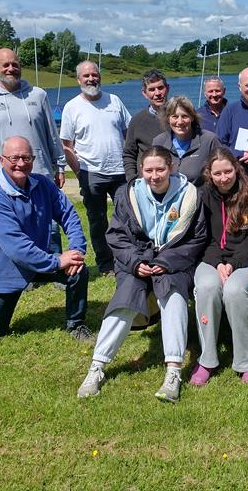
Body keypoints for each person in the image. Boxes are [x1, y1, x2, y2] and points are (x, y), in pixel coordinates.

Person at [77, 146, 207, 402]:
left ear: (171, 168)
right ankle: (97, 366)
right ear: (141, 171)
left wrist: (167, 262)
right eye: (149, 170)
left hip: (173, 262)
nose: (154, 175)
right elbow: (117, 235)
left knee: (174, 297)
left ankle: (173, 370)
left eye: (160, 169)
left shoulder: (191, 195)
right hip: (137, 261)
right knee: (125, 300)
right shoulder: (128, 195)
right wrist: (136, 262)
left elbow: (196, 239)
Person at [0, 136, 90, 341]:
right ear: (1, 160)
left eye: (26, 158)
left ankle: (76, 325)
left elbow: (68, 214)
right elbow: (17, 247)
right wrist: (57, 261)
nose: (21, 163)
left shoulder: (43, 184)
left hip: (39, 261)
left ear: (33, 159)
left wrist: (77, 250)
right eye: (14, 158)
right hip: (5, 272)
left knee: (78, 269)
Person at [190, 147, 248, 386]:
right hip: (211, 259)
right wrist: (218, 263)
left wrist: (232, 264)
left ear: (236, 169)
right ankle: (207, 359)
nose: (223, 178)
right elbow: (201, 237)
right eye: (217, 173)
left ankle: (247, 361)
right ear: (209, 174)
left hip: (246, 260)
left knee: (235, 291)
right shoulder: (203, 196)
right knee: (206, 287)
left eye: (228, 171)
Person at [60, 61, 131, 277]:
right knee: (98, 220)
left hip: (120, 171)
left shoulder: (114, 101)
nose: (91, 79)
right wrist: (79, 173)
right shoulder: (72, 107)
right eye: (86, 76)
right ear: (78, 80)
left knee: (127, 217)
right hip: (91, 173)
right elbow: (66, 145)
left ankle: (128, 259)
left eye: (95, 74)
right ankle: (106, 264)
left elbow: (128, 132)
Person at [0, 48, 65, 195]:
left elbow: (52, 135)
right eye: (6, 65)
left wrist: (60, 167)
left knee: (49, 218)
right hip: (6, 183)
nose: (11, 69)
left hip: (42, 177)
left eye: (15, 65)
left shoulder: (38, 95)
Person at [152, 96, 221, 187]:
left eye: (184, 116)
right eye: (175, 117)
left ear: (192, 117)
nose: (180, 122)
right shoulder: (159, 142)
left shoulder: (209, 140)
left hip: (200, 198)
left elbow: (222, 172)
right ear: (168, 119)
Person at [123, 68, 169, 181]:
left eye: (160, 88)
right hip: (146, 182)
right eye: (152, 89)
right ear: (145, 93)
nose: (157, 93)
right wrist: (132, 180)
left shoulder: (181, 118)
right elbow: (129, 154)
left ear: (167, 88)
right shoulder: (136, 121)